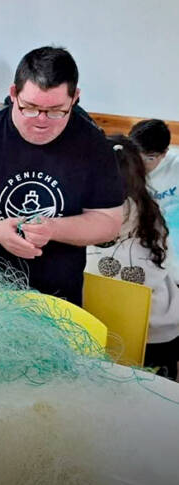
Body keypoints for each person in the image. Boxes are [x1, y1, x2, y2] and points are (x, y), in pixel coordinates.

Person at [0, 47, 124, 306]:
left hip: (55, 301)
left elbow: (109, 220)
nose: (41, 120)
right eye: (30, 108)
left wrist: (54, 228)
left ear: (75, 98)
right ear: (13, 94)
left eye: (57, 111)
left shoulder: (93, 146)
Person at [86, 136, 179, 379]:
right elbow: (168, 264)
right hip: (159, 328)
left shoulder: (83, 212)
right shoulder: (152, 213)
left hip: (102, 326)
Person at [130, 119, 179, 281]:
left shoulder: (175, 167)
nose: (141, 164)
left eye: (150, 158)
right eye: (137, 155)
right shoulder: (122, 161)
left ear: (164, 153)